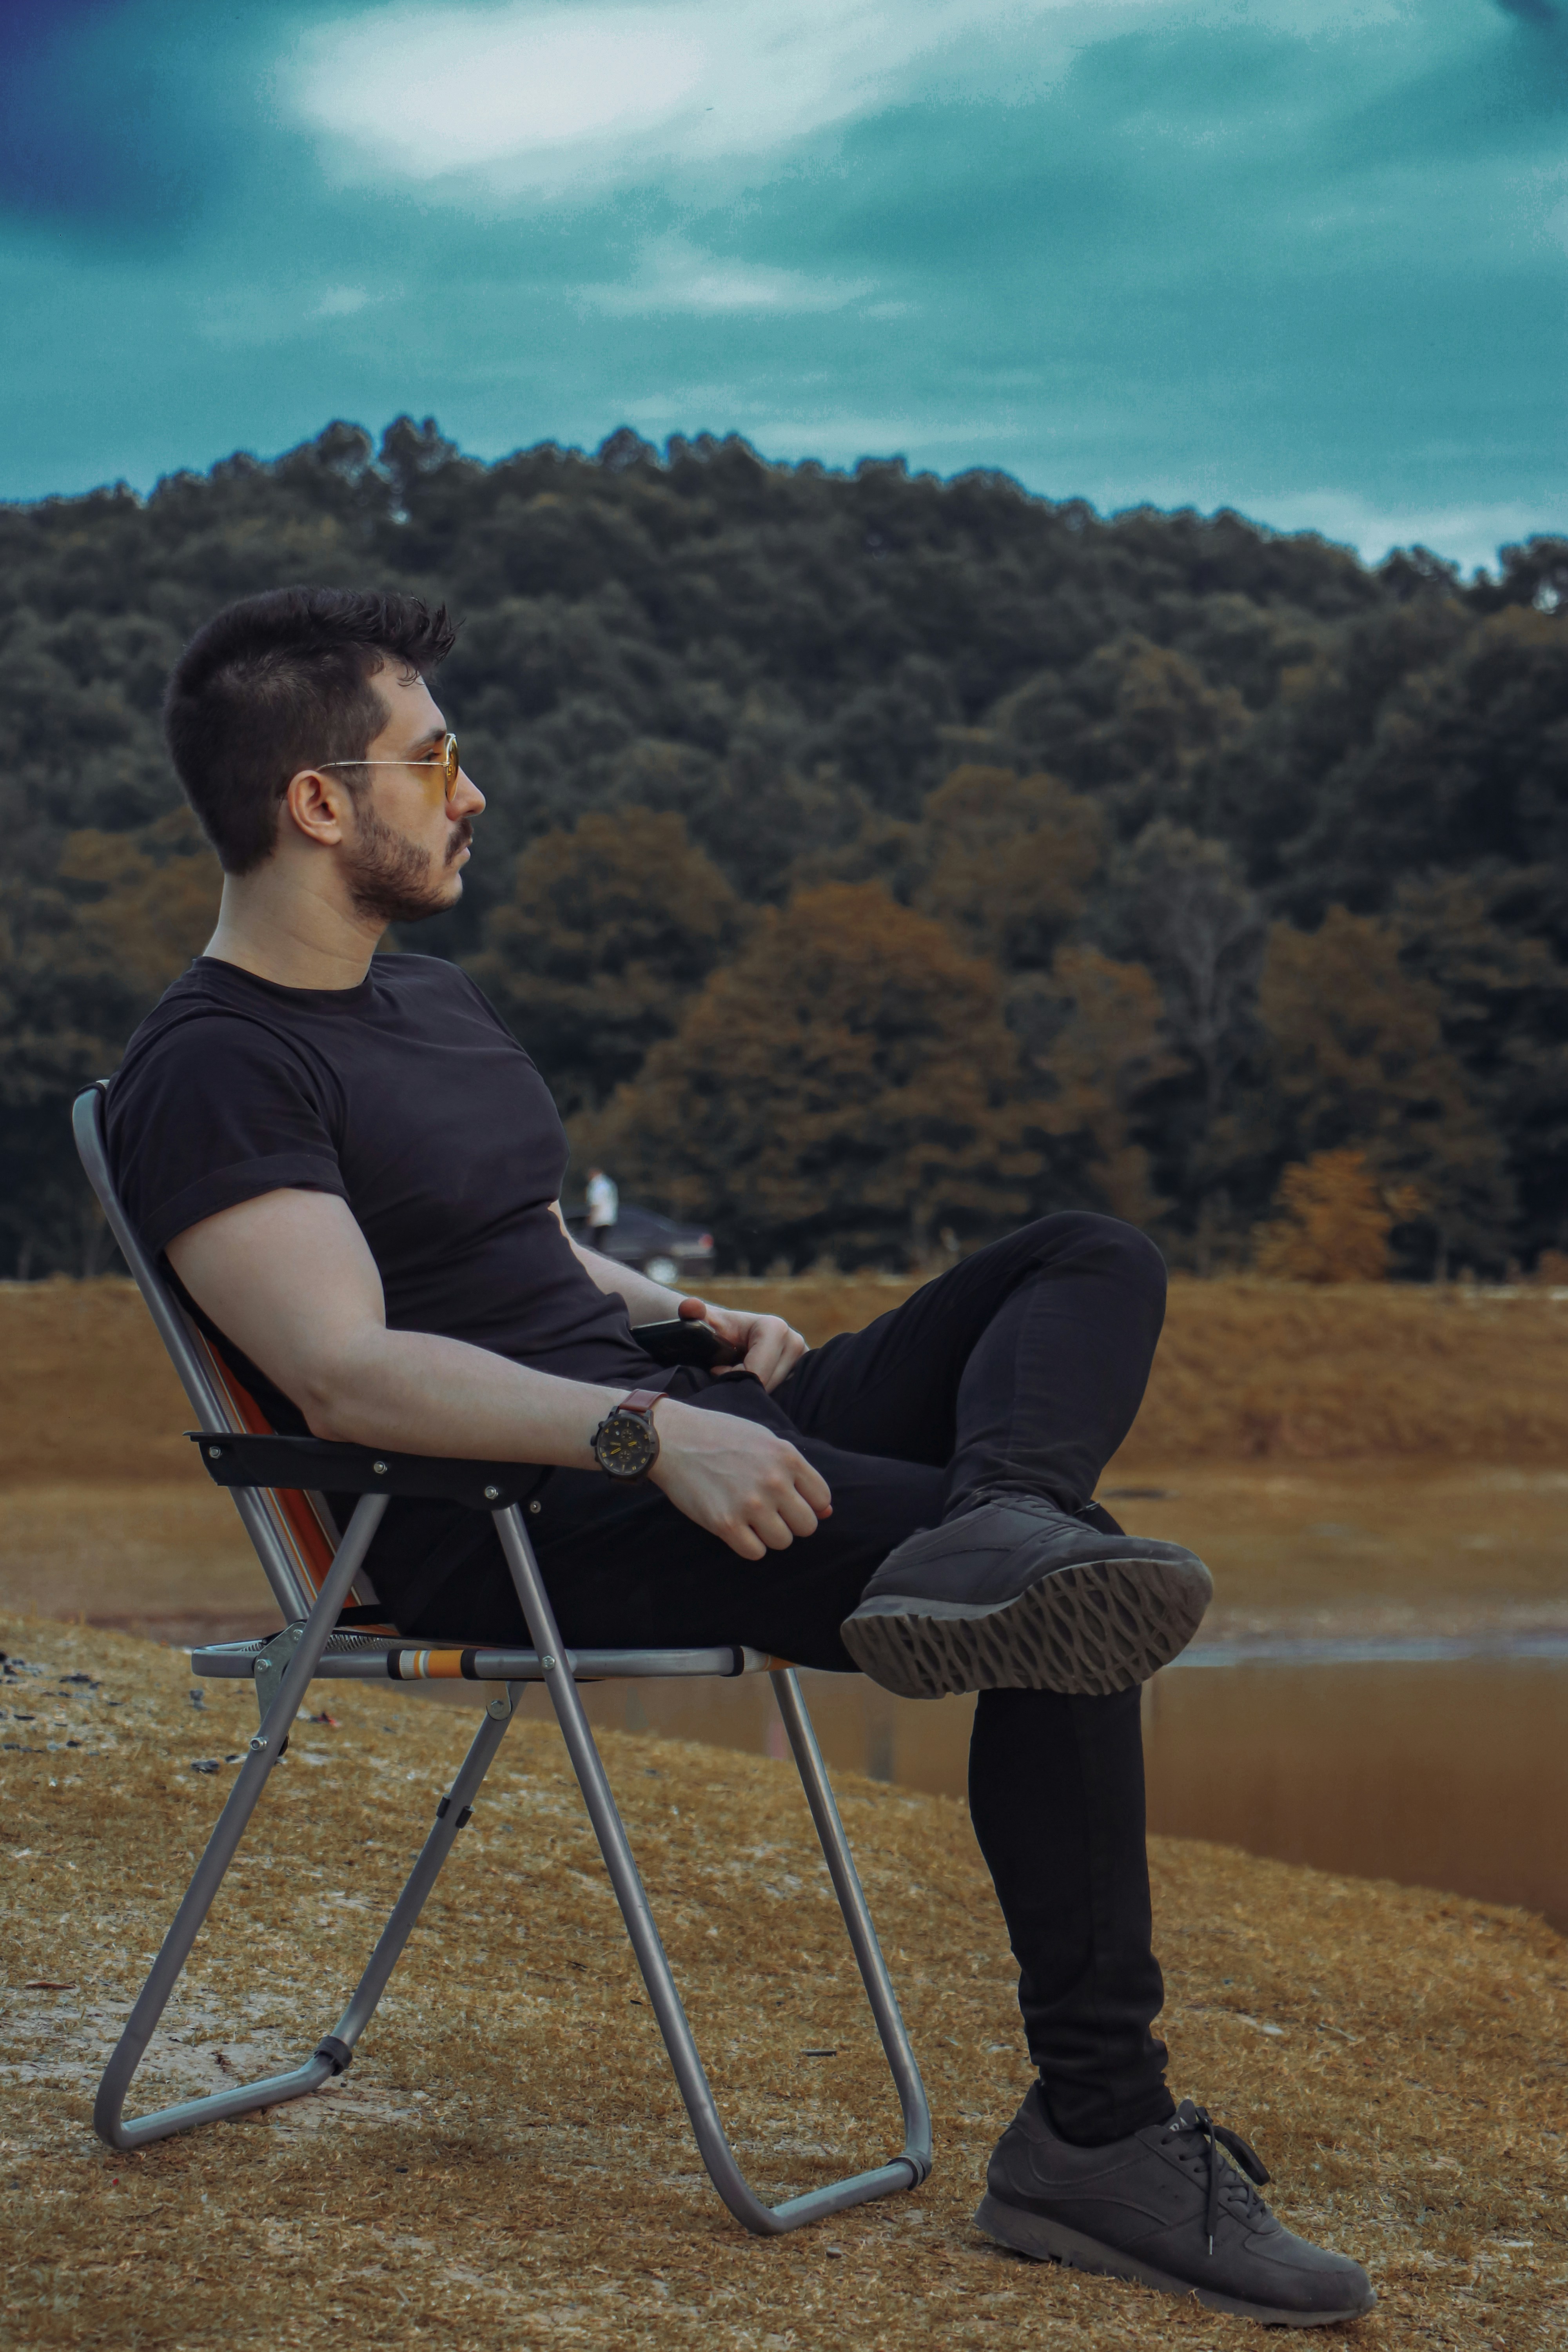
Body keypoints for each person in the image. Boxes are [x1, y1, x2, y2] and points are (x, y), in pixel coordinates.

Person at [105, 587, 1373, 2329]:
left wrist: (683, 1321)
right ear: (318, 802)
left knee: (1085, 1258)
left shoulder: (436, 1003)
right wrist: (647, 1427)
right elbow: (344, 1366)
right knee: (1079, 1597)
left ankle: (997, 1523)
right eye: (436, 757)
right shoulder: (215, 1065)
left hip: (655, 1427)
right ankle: (1097, 2132)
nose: (472, 790)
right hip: (515, 1511)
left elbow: (525, 1246)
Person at [584, 1165, 618, 1237]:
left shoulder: (597, 1185)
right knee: (602, 1241)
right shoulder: (608, 1183)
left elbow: (596, 1203)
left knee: (595, 1244)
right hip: (609, 1218)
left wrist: (591, 1218)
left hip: (599, 1219)